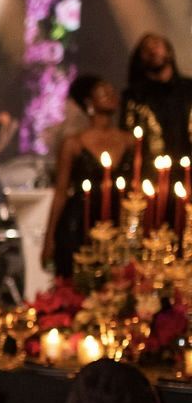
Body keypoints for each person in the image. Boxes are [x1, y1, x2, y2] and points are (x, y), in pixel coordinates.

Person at [42, 78, 135, 276]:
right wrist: (49, 238)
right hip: (80, 221)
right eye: (102, 91)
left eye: (112, 90)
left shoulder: (130, 140)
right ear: (89, 102)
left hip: (117, 219)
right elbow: (60, 191)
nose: (110, 95)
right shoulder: (73, 143)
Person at [122, 32, 192, 162]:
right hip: (151, 171)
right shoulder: (134, 97)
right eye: (146, 49)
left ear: (169, 51)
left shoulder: (189, 89)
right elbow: (129, 137)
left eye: (156, 45)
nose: (152, 51)